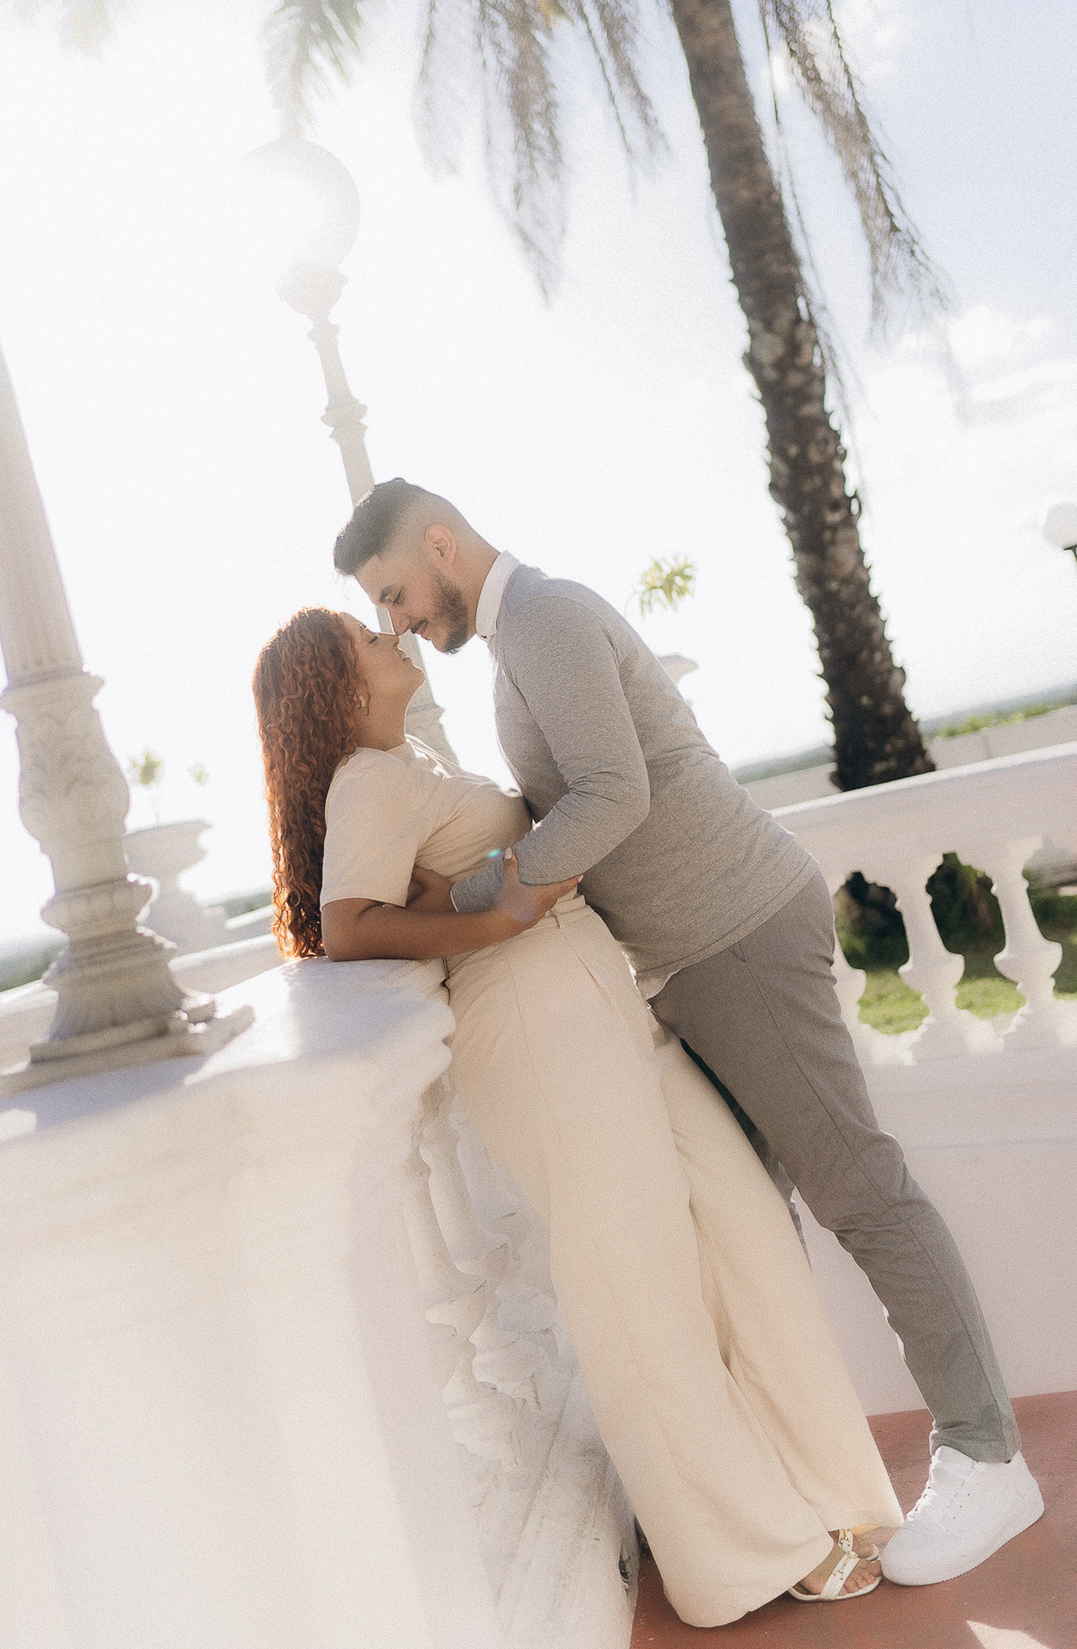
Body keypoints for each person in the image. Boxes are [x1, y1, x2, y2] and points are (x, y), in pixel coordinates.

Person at [332, 477, 1045, 1590]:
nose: (397, 620)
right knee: (748, 1230)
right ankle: (783, 1493)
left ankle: (988, 1455)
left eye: (395, 593)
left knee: (861, 1188)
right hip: (692, 962)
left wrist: (474, 890)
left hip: (738, 934)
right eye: (381, 609)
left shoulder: (548, 618)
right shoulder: (520, 639)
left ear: (438, 543)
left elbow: (613, 796)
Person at [252, 605, 903, 1629]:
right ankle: (738, 1552)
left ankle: (825, 1488)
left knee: (741, 1229)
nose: (395, 640)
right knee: (637, 1292)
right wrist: (494, 915)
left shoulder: (410, 758)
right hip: (540, 1041)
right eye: (369, 643)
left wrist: (485, 890)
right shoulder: (365, 781)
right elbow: (345, 929)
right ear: (332, 685)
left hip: (607, 1011)